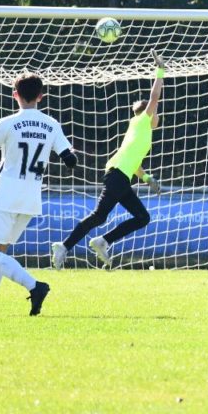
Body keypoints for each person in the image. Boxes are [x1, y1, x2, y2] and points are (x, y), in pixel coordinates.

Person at [0, 72, 77, 315]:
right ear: (40, 96)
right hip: (31, 198)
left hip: (6, 195)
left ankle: (35, 286)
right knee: (0, 254)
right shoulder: (51, 124)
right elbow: (70, 160)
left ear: (15, 95)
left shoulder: (7, 123)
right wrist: (67, 150)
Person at [52, 51, 164, 270]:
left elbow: (134, 164)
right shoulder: (142, 121)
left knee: (142, 217)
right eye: (156, 111)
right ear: (149, 113)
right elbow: (155, 97)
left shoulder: (140, 130)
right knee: (99, 216)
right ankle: (65, 246)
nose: (158, 115)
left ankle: (102, 241)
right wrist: (160, 71)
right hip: (117, 176)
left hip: (121, 177)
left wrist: (148, 178)